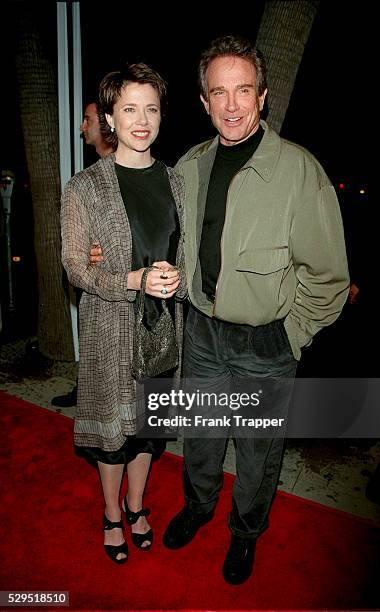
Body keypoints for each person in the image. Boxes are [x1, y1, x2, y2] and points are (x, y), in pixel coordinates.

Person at [90, 36, 349, 583]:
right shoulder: (189, 166)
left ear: (262, 98)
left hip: (265, 343)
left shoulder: (300, 171)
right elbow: (153, 226)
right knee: (202, 438)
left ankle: (245, 533)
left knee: (257, 455)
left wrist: (290, 335)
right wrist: (101, 250)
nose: (232, 105)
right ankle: (200, 507)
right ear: (205, 103)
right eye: (219, 93)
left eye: (244, 91)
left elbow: (328, 277)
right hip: (202, 333)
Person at [60, 62, 185, 564]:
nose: (141, 119)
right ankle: (112, 513)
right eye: (129, 108)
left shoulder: (178, 183)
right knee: (112, 434)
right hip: (109, 331)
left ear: (161, 116)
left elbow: (191, 251)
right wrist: (128, 280)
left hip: (162, 330)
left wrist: (180, 278)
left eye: (150, 108)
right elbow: (74, 266)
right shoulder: (85, 186)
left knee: (146, 433)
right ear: (109, 117)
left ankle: (137, 505)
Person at [52, 102, 115, 409]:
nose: (81, 127)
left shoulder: (125, 171)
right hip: (94, 282)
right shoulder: (87, 180)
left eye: (87, 120)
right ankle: (87, 389)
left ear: (106, 123)